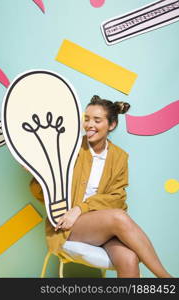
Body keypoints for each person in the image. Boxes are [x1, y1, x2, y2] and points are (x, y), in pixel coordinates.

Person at [30, 95, 172, 278]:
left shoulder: (120, 157)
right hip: (67, 225)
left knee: (128, 258)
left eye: (97, 120)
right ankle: (167, 279)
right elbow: (44, 192)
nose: (89, 125)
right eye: (86, 119)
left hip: (102, 227)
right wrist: (37, 171)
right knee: (118, 218)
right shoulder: (69, 148)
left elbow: (117, 199)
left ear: (111, 125)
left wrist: (81, 208)